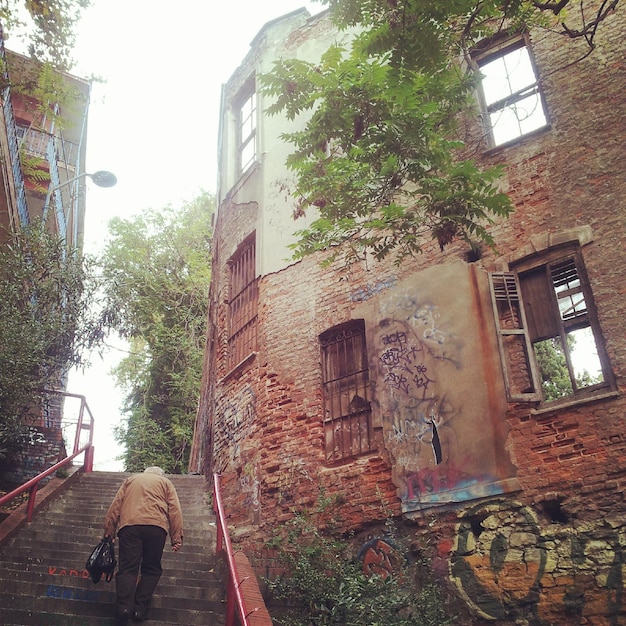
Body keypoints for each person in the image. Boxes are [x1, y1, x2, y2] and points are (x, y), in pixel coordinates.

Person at [103, 466, 183, 625]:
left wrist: (109, 530)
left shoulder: (131, 480)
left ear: (145, 473)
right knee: (151, 569)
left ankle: (124, 608)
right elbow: (175, 510)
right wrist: (176, 537)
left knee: (127, 568)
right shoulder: (165, 482)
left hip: (130, 527)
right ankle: (140, 609)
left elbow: (116, 505)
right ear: (160, 474)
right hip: (156, 528)